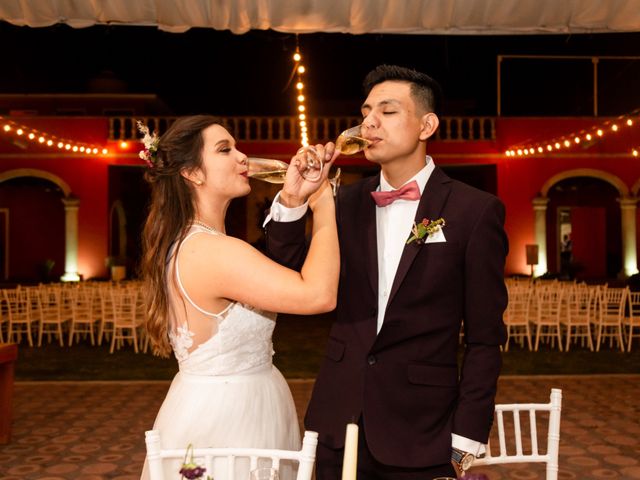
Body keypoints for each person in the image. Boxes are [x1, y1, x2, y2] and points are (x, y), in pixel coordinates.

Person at [265, 65, 508, 479]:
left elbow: (486, 338)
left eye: (388, 111)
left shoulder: (474, 210)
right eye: (365, 111)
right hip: (337, 422)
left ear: (426, 124)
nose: (369, 122)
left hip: (424, 429)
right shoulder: (343, 203)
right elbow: (283, 275)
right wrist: (294, 199)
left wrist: (466, 437)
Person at [139, 115, 339, 479]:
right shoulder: (213, 251)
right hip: (231, 418)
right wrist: (323, 201)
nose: (242, 157)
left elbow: (274, 277)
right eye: (224, 150)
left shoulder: (194, 243)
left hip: (234, 401)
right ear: (192, 173)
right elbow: (318, 295)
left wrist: (293, 198)